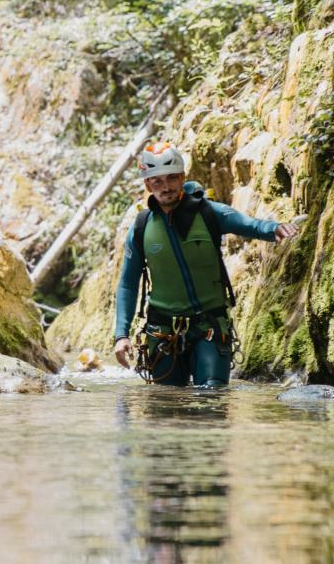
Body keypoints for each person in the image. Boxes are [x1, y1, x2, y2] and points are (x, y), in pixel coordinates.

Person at [112, 142, 301, 386]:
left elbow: (249, 224)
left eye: (171, 178)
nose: (166, 187)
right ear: (148, 184)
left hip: (208, 326)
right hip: (162, 330)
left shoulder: (209, 213)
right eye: (157, 181)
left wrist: (274, 228)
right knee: (165, 405)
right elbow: (128, 284)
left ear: (182, 177)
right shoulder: (141, 227)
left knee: (212, 396)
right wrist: (121, 335)